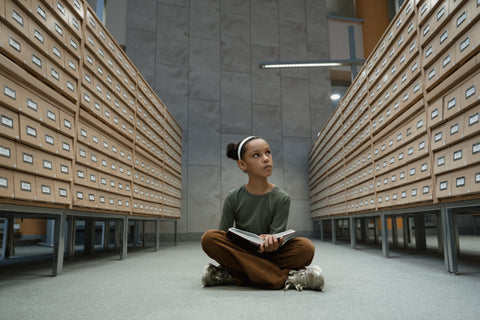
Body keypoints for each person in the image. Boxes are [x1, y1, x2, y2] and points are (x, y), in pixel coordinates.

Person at [201, 136, 324, 291]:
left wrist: (272, 241)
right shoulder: (233, 197)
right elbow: (223, 235)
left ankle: (235, 275)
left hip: (270, 255)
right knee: (209, 238)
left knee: (306, 247)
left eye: (268, 152)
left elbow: (277, 236)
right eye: (257, 155)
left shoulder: (281, 198)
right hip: (241, 251)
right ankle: (286, 278)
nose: (266, 159)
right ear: (242, 164)